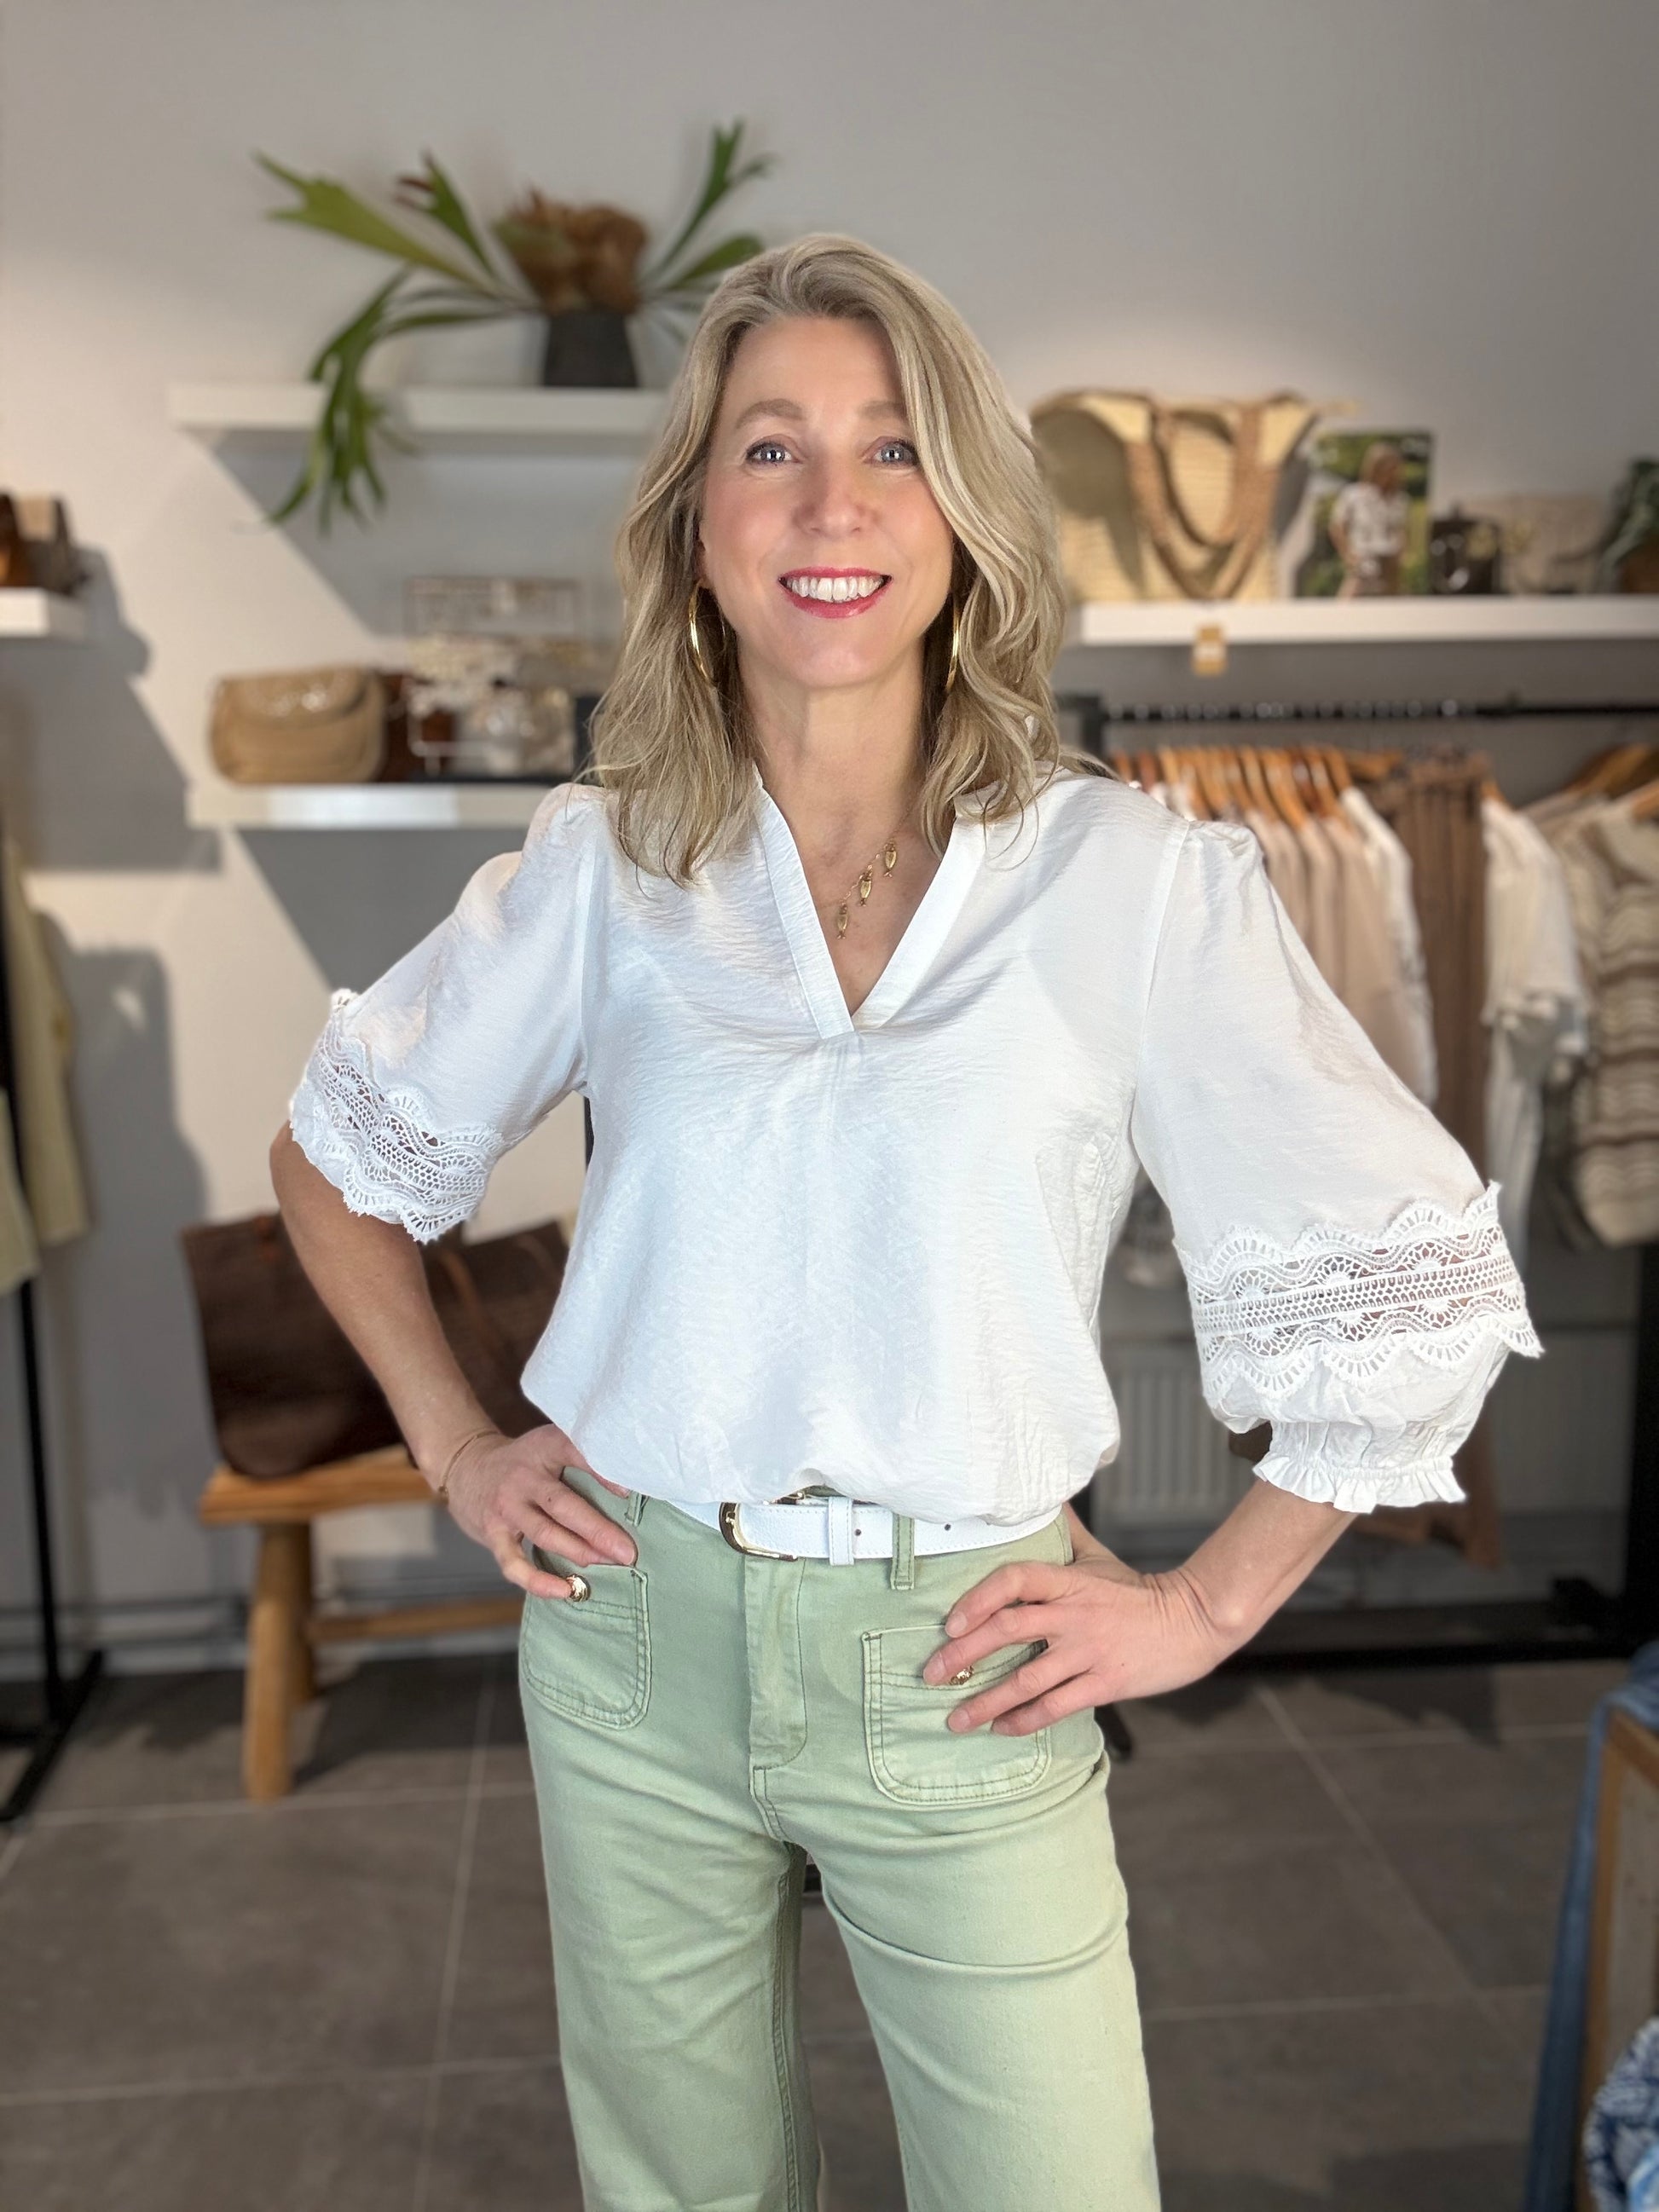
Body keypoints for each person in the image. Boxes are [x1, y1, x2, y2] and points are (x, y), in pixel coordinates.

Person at [271, 235, 1540, 2212]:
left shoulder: (1128, 880)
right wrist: (453, 1443)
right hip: (630, 1638)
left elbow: (1418, 1265)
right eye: (770, 447)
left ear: (962, 515)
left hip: (964, 1651)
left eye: (891, 447)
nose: (833, 503)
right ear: (698, 524)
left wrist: (1207, 1605)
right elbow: (337, 1159)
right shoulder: (611, 862)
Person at [1329, 438, 1410, 596]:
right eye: (1386, 468)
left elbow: (1402, 529)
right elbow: (1337, 526)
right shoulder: (1353, 495)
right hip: (1363, 560)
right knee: (1347, 602)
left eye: (1393, 469)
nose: (1390, 474)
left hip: (1389, 562)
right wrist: (1347, 554)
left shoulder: (1400, 499)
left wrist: (1402, 554)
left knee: (1392, 604)